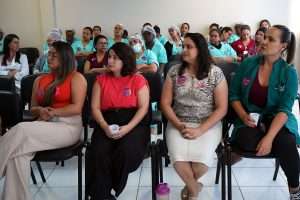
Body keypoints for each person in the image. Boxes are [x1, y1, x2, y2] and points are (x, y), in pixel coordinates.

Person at [0, 41, 87, 200]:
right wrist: (40, 110)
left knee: (21, 129)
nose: (50, 57)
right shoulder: (40, 80)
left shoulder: (76, 78)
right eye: (49, 54)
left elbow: (76, 108)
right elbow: (33, 107)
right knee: (18, 156)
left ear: (65, 57)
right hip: (43, 123)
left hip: (68, 126)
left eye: (55, 54)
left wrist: (54, 112)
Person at [229, 25, 300, 200]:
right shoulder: (247, 64)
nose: (263, 41)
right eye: (264, 37)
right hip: (250, 118)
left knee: (287, 143)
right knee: (245, 139)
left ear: (283, 46)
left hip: (276, 119)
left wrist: (269, 138)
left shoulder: (289, 72)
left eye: (271, 39)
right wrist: (242, 115)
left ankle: (295, 191)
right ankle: (273, 143)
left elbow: (284, 110)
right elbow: (234, 95)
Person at [161, 33, 228, 200]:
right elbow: (165, 104)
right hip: (178, 121)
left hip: (208, 123)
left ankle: (191, 189)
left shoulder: (215, 73)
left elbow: (221, 108)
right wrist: (179, 125)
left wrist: (200, 130)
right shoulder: (174, 72)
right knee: (178, 160)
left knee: (201, 164)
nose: (184, 50)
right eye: (183, 46)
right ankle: (194, 190)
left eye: (189, 47)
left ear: (201, 50)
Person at [86, 42, 150, 200]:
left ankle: (112, 188)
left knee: (126, 151)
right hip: (107, 121)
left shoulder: (137, 79)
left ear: (125, 60)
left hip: (133, 122)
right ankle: (102, 196)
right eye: (110, 57)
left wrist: (127, 128)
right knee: (99, 152)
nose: (110, 61)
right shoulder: (101, 79)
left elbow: (143, 108)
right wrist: (104, 126)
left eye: (115, 58)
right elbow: (95, 108)